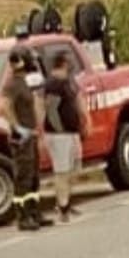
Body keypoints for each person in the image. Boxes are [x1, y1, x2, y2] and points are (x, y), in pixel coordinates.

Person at [0, 46, 50, 231]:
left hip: (31, 136)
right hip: (21, 138)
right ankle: (22, 217)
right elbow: (3, 107)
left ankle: (34, 212)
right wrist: (17, 128)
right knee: (23, 177)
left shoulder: (25, 82)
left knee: (33, 176)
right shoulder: (12, 84)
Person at [42, 52, 88, 222]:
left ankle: (64, 199)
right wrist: (59, 129)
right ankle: (63, 207)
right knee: (61, 171)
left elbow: (77, 100)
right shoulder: (54, 84)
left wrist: (83, 121)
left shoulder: (68, 81)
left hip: (71, 132)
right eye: (68, 62)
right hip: (59, 134)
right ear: (62, 64)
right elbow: (51, 110)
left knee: (75, 168)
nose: (71, 64)